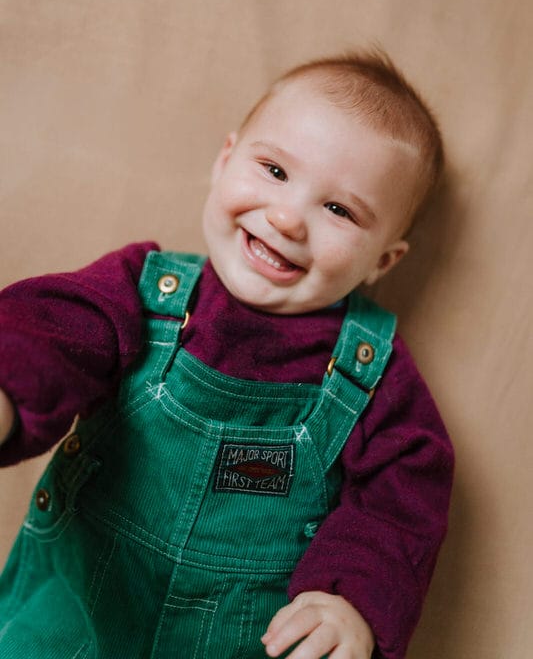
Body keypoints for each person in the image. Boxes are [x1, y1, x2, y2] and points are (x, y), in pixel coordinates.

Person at [0, 52, 454, 659]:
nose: (288, 217)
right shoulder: (140, 291)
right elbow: (52, 330)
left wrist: (354, 601)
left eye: (339, 210)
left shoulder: (373, 374)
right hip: (77, 604)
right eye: (273, 169)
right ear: (225, 159)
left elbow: (404, 499)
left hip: (243, 639)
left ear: (383, 260)